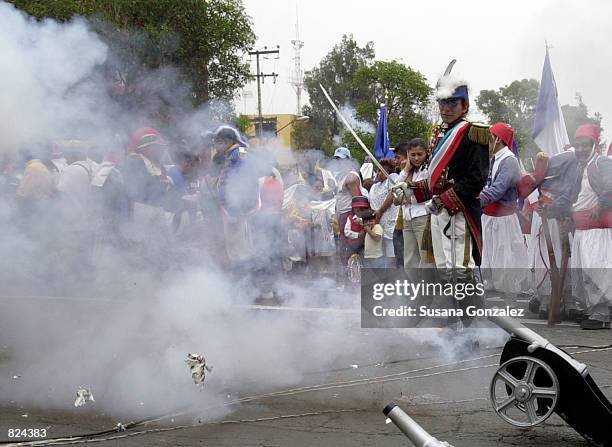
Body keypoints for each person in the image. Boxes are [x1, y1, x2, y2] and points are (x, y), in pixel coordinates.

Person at [394, 74, 489, 327]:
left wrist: (446, 200)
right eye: (443, 103)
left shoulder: (474, 133)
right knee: (446, 270)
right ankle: (454, 322)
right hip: (440, 214)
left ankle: (472, 328)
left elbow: (476, 180)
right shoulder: (440, 134)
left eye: (453, 103)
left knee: (462, 269)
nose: (446, 109)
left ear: (465, 106)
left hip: (460, 213)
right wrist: (410, 191)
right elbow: (437, 182)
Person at [519, 149, 578, 319]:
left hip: (553, 217)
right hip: (551, 218)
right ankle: (549, 302)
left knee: (561, 258)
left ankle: (561, 301)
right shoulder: (571, 163)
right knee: (551, 257)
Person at [479, 123, 528, 307]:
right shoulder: (494, 158)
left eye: (489, 137)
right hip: (489, 218)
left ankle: (511, 305)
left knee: (506, 263)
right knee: (488, 261)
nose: (486, 141)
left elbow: (498, 189)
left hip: (504, 220)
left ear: (498, 139)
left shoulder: (509, 161)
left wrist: (475, 201)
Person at [569, 124, 612, 329]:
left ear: (594, 145)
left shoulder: (601, 162)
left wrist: (601, 203)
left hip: (597, 230)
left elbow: (610, 185)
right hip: (582, 229)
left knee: (597, 273)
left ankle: (601, 315)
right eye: (577, 145)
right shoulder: (582, 166)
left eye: (584, 145)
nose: (580, 149)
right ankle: (594, 311)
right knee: (584, 273)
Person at [394, 139, 431, 272]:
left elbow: (427, 192)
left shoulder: (429, 169)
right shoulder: (408, 171)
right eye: (412, 154)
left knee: (426, 257)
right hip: (407, 217)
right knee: (409, 259)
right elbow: (395, 189)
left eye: (420, 154)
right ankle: (413, 288)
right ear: (408, 154)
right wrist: (405, 170)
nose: (416, 158)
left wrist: (407, 196)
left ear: (426, 153)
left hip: (423, 217)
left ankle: (427, 290)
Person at [368, 158, 399, 267]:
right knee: (381, 253)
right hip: (377, 223)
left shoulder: (393, 179)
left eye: (383, 170)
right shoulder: (374, 186)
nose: (379, 173)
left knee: (391, 252)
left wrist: (380, 211)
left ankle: (393, 277)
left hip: (390, 222)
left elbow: (392, 195)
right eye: (378, 170)